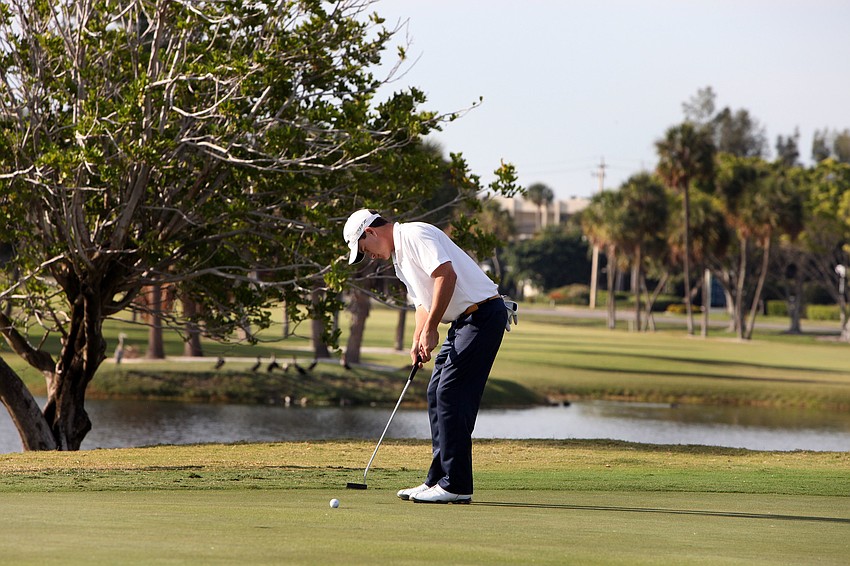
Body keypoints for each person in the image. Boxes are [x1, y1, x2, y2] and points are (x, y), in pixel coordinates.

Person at [343, 208, 512, 504]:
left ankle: (456, 484)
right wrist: (418, 337)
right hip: (464, 321)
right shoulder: (399, 261)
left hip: (483, 315)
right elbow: (422, 303)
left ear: (370, 232)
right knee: (436, 391)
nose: (369, 256)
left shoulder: (414, 234)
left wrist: (433, 328)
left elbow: (445, 275)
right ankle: (438, 480)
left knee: (450, 392)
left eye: (364, 248)